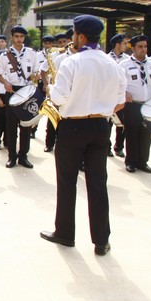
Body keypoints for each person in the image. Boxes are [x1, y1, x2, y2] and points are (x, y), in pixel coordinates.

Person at [40, 14, 126, 256]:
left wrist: (50, 88)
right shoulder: (113, 64)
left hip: (72, 127)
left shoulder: (72, 63)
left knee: (67, 182)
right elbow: (120, 102)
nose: (72, 39)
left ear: (81, 36)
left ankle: (65, 234)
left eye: (74, 34)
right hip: (101, 127)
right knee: (98, 184)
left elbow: (57, 98)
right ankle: (101, 241)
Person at [0, 25, 41, 169]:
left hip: (27, 91)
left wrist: (36, 76)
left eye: (21, 37)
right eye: (16, 36)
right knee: (11, 126)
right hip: (12, 91)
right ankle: (11, 157)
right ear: (12, 37)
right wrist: (5, 82)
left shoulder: (32, 54)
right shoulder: (4, 55)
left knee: (25, 126)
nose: (19, 39)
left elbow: (36, 72)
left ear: (24, 38)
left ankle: (23, 157)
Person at [120, 35, 151, 174]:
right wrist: (124, 94)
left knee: (146, 134)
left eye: (145, 46)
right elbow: (118, 84)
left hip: (150, 105)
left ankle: (143, 162)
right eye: (140, 46)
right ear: (133, 48)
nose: (143, 49)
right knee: (132, 133)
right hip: (132, 105)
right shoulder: (124, 65)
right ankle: (131, 162)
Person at [107, 33, 128, 158]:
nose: (126, 45)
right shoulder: (106, 58)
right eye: (124, 43)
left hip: (121, 97)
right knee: (107, 123)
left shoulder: (127, 59)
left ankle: (119, 147)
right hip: (109, 96)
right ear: (117, 44)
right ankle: (107, 147)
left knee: (122, 124)